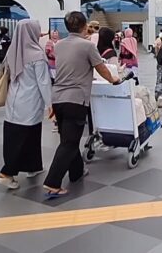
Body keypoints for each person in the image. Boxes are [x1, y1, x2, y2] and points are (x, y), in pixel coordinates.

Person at [44, 11, 120, 199]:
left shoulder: (59, 45)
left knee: (68, 138)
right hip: (75, 99)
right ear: (84, 25)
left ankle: (76, 172)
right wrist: (113, 80)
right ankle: (53, 183)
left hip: (58, 98)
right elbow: (100, 68)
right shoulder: (87, 46)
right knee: (69, 143)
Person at [0, 20, 51, 190]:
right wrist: (51, 104)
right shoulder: (37, 55)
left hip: (13, 100)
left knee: (24, 134)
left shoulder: (12, 52)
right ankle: (7, 173)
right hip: (30, 101)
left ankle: (32, 166)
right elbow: (43, 82)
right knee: (24, 136)